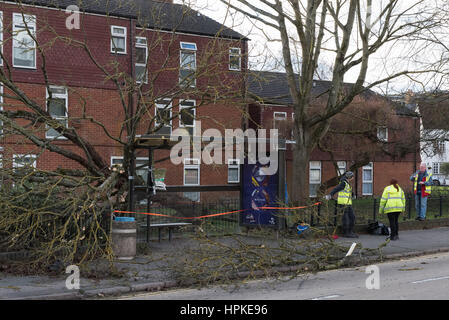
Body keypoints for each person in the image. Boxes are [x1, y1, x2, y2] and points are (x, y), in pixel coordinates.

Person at [325, 171, 358, 238]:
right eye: (352, 177)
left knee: (352, 217)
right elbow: (336, 189)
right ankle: (347, 233)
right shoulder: (343, 183)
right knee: (346, 218)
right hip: (343, 203)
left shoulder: (347, 183)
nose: (353, 178)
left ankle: (350, 232)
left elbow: (349, 191)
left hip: (348, 203)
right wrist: (330, 195)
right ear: (350, 177)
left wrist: (353, 195)